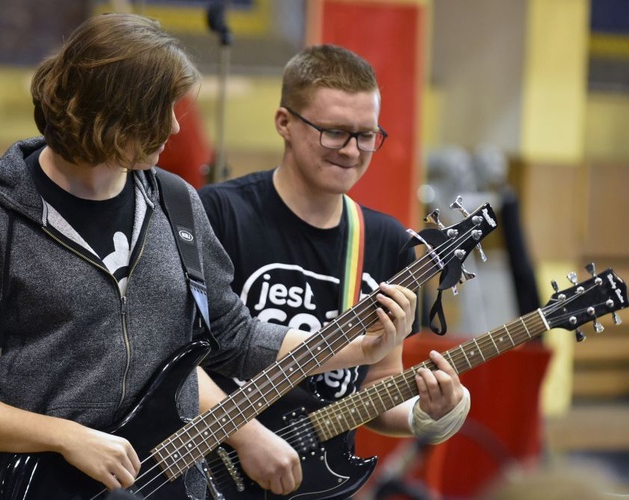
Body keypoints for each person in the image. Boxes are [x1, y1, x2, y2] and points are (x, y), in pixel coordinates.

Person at [0, 14, 417, 500]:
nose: (173, 129)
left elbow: (233, 336)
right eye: (159, 111)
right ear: (111, 116)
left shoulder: (176, 203)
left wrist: (358, 348)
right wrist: (63, 436)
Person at [198, 44, 471, 495]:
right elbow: (177, 358)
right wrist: (244, 436)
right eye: (334, 132)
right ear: (285, 123)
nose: (351, 150)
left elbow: (378, 386)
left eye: (366, 135)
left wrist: (431, 414)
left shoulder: (387, 241)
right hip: (209, 472)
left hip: (316, 484)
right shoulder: (218, 213)